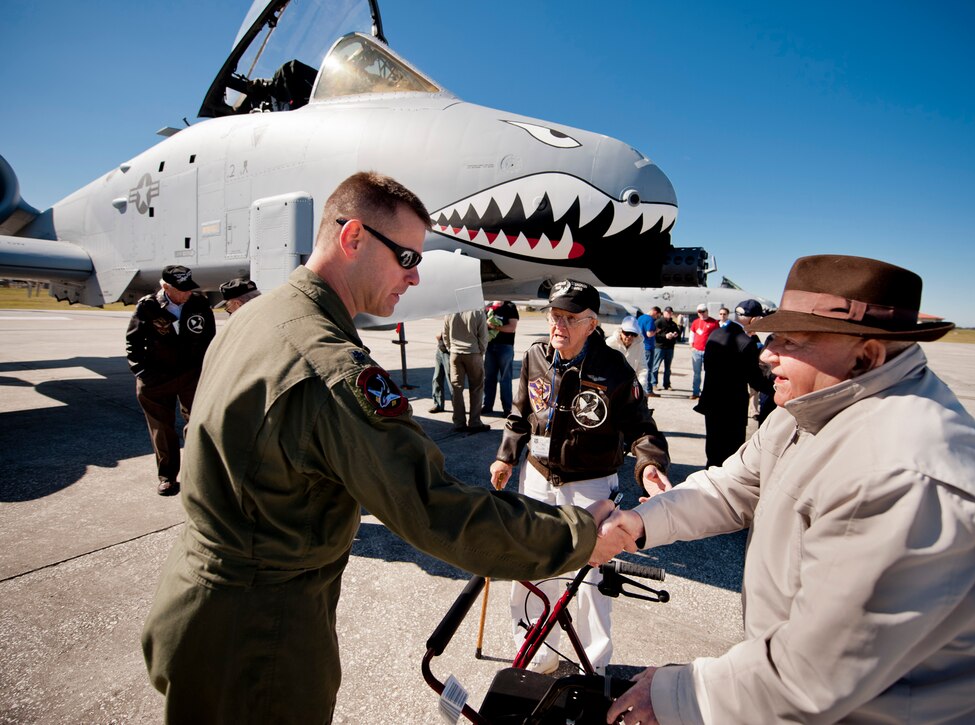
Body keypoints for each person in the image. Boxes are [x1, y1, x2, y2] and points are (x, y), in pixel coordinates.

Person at [141, 172, 618, 724]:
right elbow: (435, 509)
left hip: (203, 605)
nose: (415, 279)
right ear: (354, 239)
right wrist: (582, 536)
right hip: (258, 636)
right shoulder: (330, 366)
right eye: (408, 259)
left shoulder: (255, 318)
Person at [598, 254, 975, 725]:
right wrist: (639, 523)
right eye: (771, 336)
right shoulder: (809, 410)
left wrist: (675, 694)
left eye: (792, 340)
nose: (767, 353)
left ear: (866, 355)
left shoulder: (905, 473)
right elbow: (733, 488)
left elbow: (812, 672)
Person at [489, 279, 669, 675]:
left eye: (570, 318)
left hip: (590, 485)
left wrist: (649, 464)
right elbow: (520, 416)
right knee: (532, 565)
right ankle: (535, 652)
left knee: (589, 576)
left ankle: (592, 661)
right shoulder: (536, 356)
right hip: (536, 478)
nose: (559, 325)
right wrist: (506, 457)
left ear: (591, 323)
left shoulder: (614, 369)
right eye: (555, 315)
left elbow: (642, 426)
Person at [125, 265, 216, 496]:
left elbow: (210, 338)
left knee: (197, 424)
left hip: (191, 376)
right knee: (162, 429)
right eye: (181, 289)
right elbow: (133, 343)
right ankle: (167, 477)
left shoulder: (199, 304)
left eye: (188, 288)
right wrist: (142, 373)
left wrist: (207, 369)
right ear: (165, 287)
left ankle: (197, 475)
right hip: (157, 378)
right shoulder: (148, 306)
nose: (187, 293)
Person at [694, 302, 771, 467]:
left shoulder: (715, 334)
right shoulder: (746, 343)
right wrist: (775, 390)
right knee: (731, 454)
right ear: (755, 319)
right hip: (732, 408)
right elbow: (755, 379)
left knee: (713, 450)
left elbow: (707, 367)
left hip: (712, 402)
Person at [442, 307, 489, 432]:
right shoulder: (478, 312)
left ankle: (459, 422)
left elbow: (445, 334)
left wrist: (450, 348)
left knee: (456, 389)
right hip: (473, 353)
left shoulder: (450, 312)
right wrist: (481, 351)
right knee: (476, 388)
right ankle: (474, 422)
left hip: (455, 353)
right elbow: (483, 335)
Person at [482, 300, 520, 416]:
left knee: (505, 379)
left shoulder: (510, 306)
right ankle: (487, 405)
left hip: (505, 347)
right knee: (488, 378)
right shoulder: (488, 307)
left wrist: (495, 327)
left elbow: (512, 327)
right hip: (490, 347)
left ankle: (507, 408)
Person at [687, 303, 718, 400]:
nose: (701, 314)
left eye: (703, 311)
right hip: (697, 351)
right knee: (697, 373)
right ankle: (695, 392)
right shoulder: (696, 322)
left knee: (708, 373)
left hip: (708, 352)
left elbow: (718, 335)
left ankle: (706, 393)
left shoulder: (714, 322)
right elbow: (692, 334)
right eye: (699, 312)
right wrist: (691, 346)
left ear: (707, 311)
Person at [605, 315, 646, 382]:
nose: (630, 336)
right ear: (621, 331)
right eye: (627, 333)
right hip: (610, 382)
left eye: (633, 334)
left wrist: (642, 386)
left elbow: (642, 368)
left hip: (629, 383)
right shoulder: (609, 343)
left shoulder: (640, 346)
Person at [650, 306, 680, 393]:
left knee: (668, 367)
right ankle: (654, 383)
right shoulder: (659, 322)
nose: (669, 314)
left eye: (670, 312)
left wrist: (675, 334)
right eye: (667, 312)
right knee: (656, 366)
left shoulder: (673, 323)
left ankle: (667, 384)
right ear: (664, 313)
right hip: (660, 347)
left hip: (670, 348)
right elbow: (653, 334)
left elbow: (678, 331)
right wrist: (665, 336)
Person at [428, 331, 452, 414]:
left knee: (452, 381)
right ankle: (438, 404)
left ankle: (457, 407)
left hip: (450, 350)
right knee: (437, 378)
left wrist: (441, 335)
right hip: (441, 348)